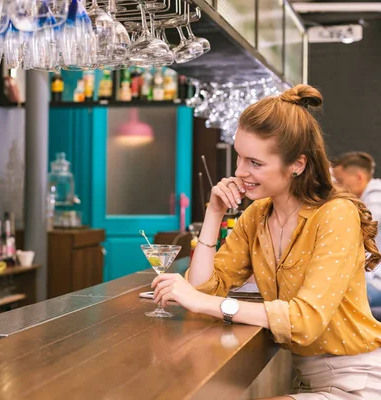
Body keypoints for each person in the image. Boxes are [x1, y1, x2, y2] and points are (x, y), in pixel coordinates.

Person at [152, 84, 381, 399]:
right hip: (308, 380)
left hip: (358, 382)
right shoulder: (257, 215)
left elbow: (305, 320)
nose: (239, 172)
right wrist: (214, 213)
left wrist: (203, 302)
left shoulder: (335, 214)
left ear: (297, 164)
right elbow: (203, 288)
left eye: (255, 163)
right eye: (239, 158)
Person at [333, 151, 381, 308]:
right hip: (373, 276)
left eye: (340, 181)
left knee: (330, 296)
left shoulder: (376, 198)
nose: (337, 186)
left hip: (377, 282)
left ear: (359, 177)